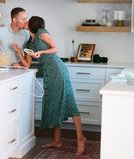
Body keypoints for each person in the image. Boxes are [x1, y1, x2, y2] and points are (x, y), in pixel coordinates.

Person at [13, 16, 86, 155]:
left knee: (70, 103)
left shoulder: (42, 33)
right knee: (54, 104)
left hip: (59, 71)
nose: (25, 22)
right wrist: (18, 53)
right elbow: (27, 64)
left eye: (27, 20)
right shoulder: (29, 43)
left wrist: (41, 52)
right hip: (48, 74)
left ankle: (80, 138)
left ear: (33, 24)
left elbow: (55, 48)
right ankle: (57, 141)